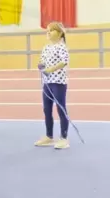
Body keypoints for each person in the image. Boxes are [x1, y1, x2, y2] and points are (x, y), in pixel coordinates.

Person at [35, 22, 70, 150]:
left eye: (52, 30)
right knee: (47, 109)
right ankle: (49, 136)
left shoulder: (62, 47)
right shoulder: (46, 48)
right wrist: (41, 65)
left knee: (61, 109)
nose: (48, 32)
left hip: (58, 83)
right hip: (47, 83)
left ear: (60, 33)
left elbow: (64, 62)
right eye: (47, 30)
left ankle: (64, 138)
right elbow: (42, 61)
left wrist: (50, 70)